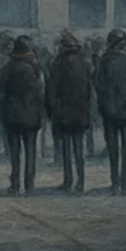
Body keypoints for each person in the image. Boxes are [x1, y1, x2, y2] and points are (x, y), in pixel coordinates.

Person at [94, 27, 126, 195]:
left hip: (109, 112)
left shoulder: (102, 62)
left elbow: (97, 85)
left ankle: (114, 182)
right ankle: (124, 183)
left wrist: (103, 104)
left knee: (112, 150)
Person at [0, 34, 47, 196]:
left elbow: (0, 94)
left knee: (15, 153)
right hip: (31, 117)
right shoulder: (37, 69)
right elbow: (42, 93)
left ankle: (15, 184)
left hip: (12, 116)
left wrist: (4, 110)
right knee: (30, 151)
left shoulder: (8, 68)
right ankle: (29, 185)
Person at [46, 29, 91, 194]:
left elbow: (52, 89)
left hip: (64, 112)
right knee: (79, 149)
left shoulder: (58, 64)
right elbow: (89, 89)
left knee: (66, 149)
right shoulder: (84, 63)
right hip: (80, 112)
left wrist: (52, 110)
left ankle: (68, 180)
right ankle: (81, 181)